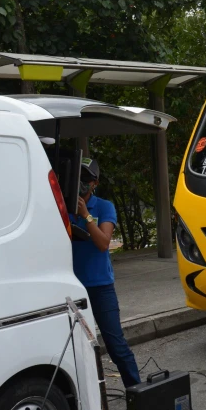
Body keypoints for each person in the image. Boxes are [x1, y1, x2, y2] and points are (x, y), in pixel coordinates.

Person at [71, 158, 141, 387]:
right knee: (76, 347)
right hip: (72, 288)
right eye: (78, 177)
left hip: (100, 287)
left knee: (115, 344)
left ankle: (137, 394)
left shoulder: (103, 206)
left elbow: (103, 243)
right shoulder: (62, 205)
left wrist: (85, 216)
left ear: (95, 183)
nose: (82, 183)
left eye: (87, 179)